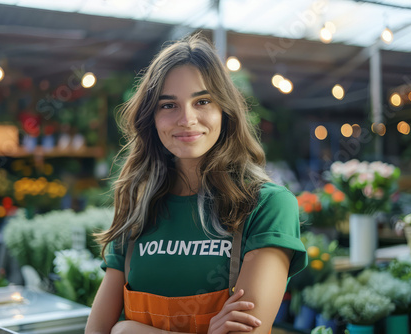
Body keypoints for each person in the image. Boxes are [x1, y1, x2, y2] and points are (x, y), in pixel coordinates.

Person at [85, 33, 307, 334]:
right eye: (168, 105)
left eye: (202, 101)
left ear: (224, 111)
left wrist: (127, 330)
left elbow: (248, 331)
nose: (187, 119)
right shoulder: (137, 207)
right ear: (151, 118)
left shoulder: (267, 205)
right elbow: (97, 331)